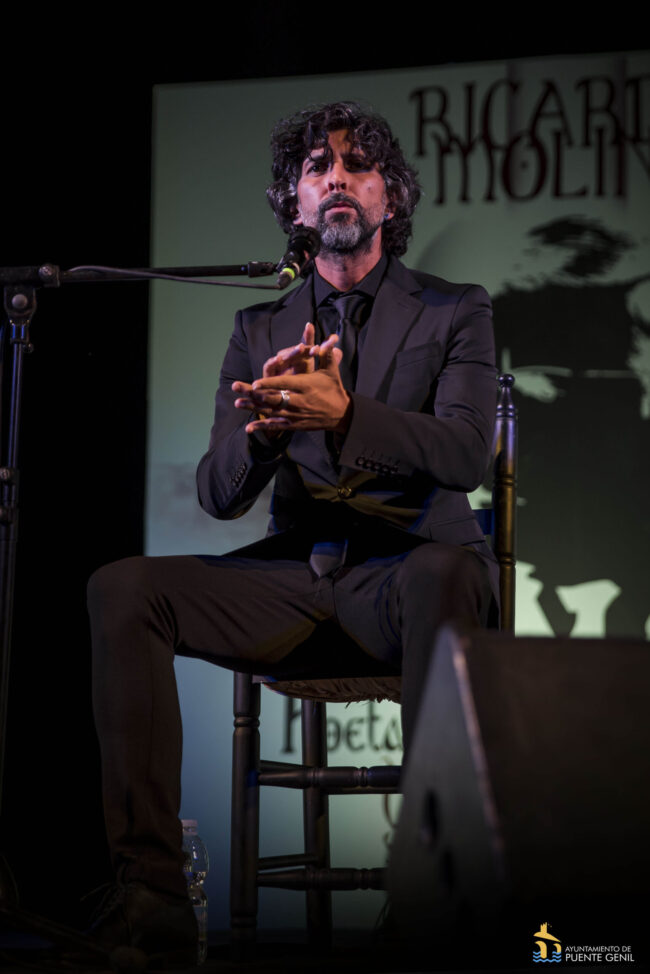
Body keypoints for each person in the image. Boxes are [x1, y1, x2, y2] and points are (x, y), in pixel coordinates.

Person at [86, 100, 498, 966]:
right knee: (122, 588)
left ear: (391, 196)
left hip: (408, 582)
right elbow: (217, 493)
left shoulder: (454, 308)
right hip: (297, 582)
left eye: (358, 164)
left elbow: (465, 455)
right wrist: (264, 434)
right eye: (317, 167)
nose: (337, 177)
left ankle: (432, 897)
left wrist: (346, 416)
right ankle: (152, 898)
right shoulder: (259, 328)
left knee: (446, 574)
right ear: (295, 203)